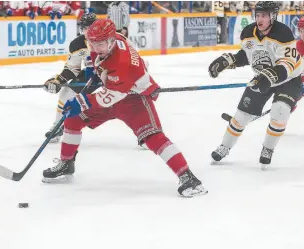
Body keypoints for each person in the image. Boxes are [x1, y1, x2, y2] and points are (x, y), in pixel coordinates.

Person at [41, 19, 207, 198]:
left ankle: (188, 177)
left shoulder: (121, 61)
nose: (95, 48)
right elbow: (100, 65)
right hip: (113, 91)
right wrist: (94, 71)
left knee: (151, 136)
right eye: (92, 43)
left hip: (133, 98)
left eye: (100, 44)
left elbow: (109, 96)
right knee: (73, 119)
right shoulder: (107, 40)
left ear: (111, 41)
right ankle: (66, 163)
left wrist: (80, 102)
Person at [207, 1, 304, 169]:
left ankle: (268, 148)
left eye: (264, 15)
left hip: (289, 79)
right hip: (263, 77)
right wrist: (228, 61)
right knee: (241, 115)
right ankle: (225, 146)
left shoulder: (283, 33)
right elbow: (248, 55)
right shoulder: (248, 32)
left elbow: (287, 64)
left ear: (272, 16)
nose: (260, 19)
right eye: (258, 15)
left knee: (279, 111)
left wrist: (269, 76)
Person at [43, 12, 100, 143]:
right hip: (93, 75)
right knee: (65, 93)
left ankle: (145, 132)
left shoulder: (113, 38)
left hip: (116, 74)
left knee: (127, 99)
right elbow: (72, 68)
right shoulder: (77, 44)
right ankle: (58, 126)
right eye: (84, 28)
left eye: (90, 28)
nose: (86, 31)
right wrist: (58, 80)